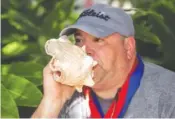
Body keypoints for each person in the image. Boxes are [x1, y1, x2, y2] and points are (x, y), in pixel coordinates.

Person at [32, 4, 175, 118]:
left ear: (128, 47)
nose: (85, 49)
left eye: (98, 39)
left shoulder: (168, 91)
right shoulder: (67, 95)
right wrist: (53, 101)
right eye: (79, 40)